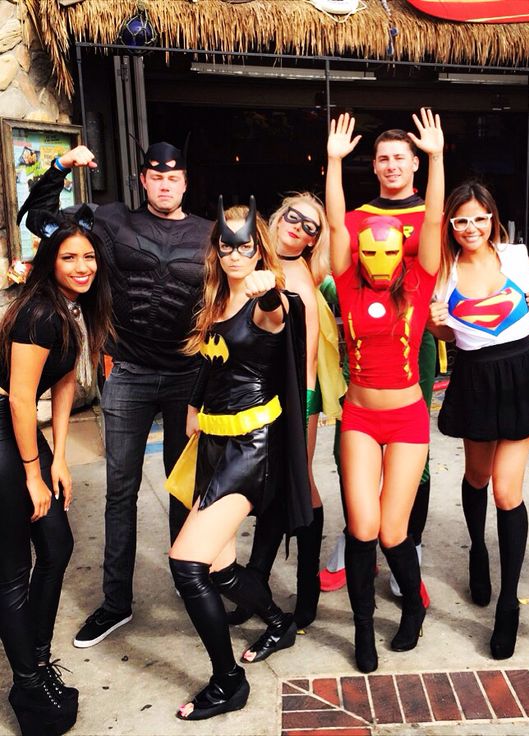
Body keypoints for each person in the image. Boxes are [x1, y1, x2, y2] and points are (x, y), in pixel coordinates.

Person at [16, 142, 214, 648]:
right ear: (142, 181)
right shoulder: (110, 222)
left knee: (185, 487)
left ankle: (191, 584)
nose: (165, 184)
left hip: (188, 378)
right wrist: (61, 166)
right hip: (128, 371)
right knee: (119, 492)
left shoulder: (210, 235)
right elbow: (39, 219)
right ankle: (115, 603)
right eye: (155, 176)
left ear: (186, 183)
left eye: (174, 177)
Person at [169, 197, 310, 720]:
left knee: (187, 564)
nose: (234, 254)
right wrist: (192, 409)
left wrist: (269, 284)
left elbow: (276, 312)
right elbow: (211, 363)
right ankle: (278, 622)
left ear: (258, 250)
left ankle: (229, 682)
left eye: (245, 246)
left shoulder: (268, 301)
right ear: (216, 250)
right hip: (212, 444)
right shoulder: (212, 301)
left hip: (251, 450)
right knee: (223, 568)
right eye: (226, 245)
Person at [325, 109, 443, 673]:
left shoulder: (417, 280)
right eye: (383, 157)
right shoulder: (346, 281)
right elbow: (334, 228)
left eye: (387, 247)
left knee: (395, 530)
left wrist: (438, 159)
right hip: (359, 418)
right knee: (361, 528)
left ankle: (414, 613)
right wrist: (332, 163)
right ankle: (364, 632)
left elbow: (436, 223)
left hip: (409, 419)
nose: (378, 254)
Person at [428, 182, 529, 660]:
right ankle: (476, 551)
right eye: (461, 220)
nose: (471, 228)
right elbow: (442, 330)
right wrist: (436, 322)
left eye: (479, 219)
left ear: (493, 219)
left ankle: (509, 604)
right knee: (477, 476)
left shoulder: (514, 256)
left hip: (522, 370)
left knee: (507, 489)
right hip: (476, 377)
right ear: (449, 223)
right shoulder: (441, 268)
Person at [0, 206, 113, 733]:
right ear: (51, 261)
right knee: (12, 570)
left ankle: (37, 660)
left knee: (58, 545)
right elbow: (23, 400)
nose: (82, 266)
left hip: (19, 435)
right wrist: (32, 473)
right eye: (70, 257)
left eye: (88, 256)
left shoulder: (73, 309)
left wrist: (60, 456)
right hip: (4, 432)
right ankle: (27, 685)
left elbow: (64, 383)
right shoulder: (39, 312)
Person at [228, 193, 344, 631]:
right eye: (294, 217)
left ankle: (307, 590)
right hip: (250, 397)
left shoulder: (307, 273)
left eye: (310, 226)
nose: (299, 227)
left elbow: (310, 357)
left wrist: (303, 408)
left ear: (316, 240)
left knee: (300, 483)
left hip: (298, 398)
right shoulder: (250, 260)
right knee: (268, 489)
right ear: (277, 218)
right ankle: (255, 583)